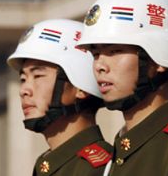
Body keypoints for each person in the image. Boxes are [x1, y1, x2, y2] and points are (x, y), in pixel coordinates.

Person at [76, 0, 168, 175]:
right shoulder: (117, 154)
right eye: (96, 54)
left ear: (158, 59)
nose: (100, 65)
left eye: (115, 51)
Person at [7, 19, 112, 175]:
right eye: (23, 79)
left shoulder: (103, 169)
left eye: (38, 76)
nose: (24, 90)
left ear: (80, 88)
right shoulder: (48, 165)